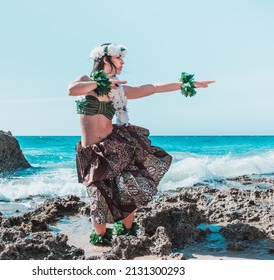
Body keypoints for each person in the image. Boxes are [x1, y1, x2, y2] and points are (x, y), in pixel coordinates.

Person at [68, 43, 214, 245]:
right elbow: (72, 90)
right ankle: (101, 239)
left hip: (117, 144)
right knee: (98, 195)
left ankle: (128, 235)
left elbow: (150, 89)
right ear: (106, 58)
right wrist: (99, 85)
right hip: (94, 151)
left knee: (127, 189)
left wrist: (185, 84)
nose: (122, 63)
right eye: (120, 58)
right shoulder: (85, 80)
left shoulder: (118, 89)